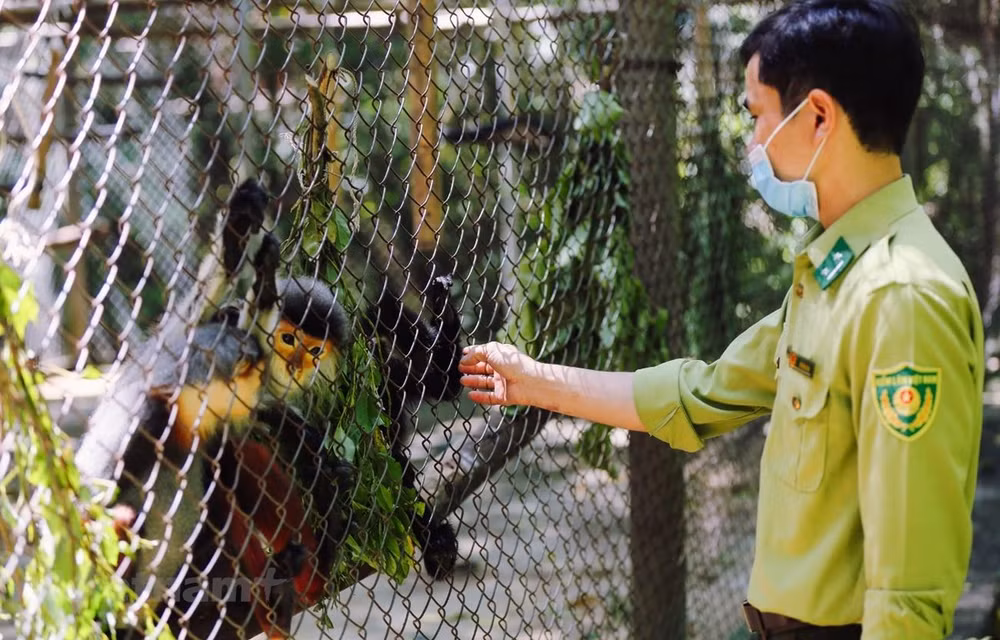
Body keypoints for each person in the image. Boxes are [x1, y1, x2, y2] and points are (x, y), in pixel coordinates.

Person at [458, 1, 985, 639]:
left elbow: (908, 594)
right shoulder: (835, 275)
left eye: (758, 116)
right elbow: (698, 394)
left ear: (817, 116)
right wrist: (532, 380)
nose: (753, 144)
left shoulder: (901, 296)